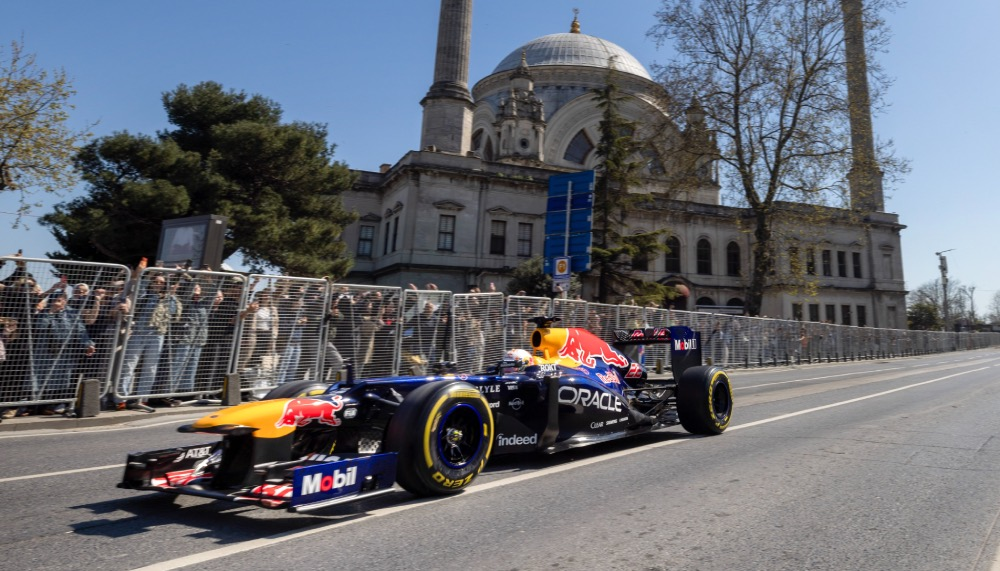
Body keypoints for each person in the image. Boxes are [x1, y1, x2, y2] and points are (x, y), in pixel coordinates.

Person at [116, 273, 182, 412]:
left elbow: (174, 314)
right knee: (128, 365)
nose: (158, 284)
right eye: (156, 281)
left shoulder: (168, 298)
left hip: (157, 335)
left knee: (150, 368)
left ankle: (143, 398)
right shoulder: (144, 294)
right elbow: (138, 291)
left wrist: (171, 294)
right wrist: (149, 274)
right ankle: (121, 398)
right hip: (138, 333)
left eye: (161, 282)